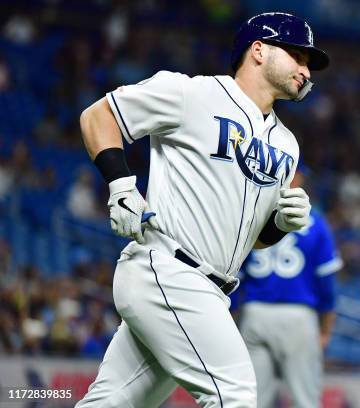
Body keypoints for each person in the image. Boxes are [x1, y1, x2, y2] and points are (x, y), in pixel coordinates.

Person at [75, 12, 329, 408]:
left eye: (309, 63)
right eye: (297, 54)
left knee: (114, 403)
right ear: (258, 50)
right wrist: (121, 184)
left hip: (211, 288)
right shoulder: (192, 94)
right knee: (235, 394)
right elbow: (99, 116)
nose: (305, 68)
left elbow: (251, 242)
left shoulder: (286, 143)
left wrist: (279, 224)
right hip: (167, 269)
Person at [232, 165, 342, 408]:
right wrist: (325, 330)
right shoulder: (316, 222)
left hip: (255, 314)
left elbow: (235, 282)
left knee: (252, 402)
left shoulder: (252, 216)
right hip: (298, 318)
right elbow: (327, 287)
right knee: (306, 401)